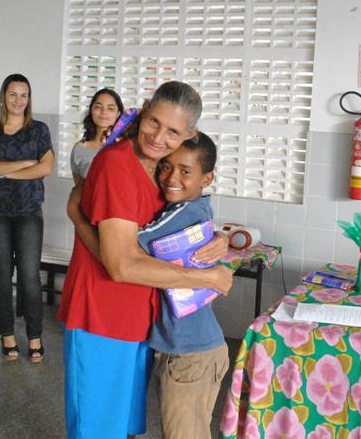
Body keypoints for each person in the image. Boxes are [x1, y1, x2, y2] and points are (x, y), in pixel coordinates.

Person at [57, 81, 233, 439]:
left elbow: (170, 230)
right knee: (97, 429)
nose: (158, 137)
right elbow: (121, 265)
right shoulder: (116, 165)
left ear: (189, 134)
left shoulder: (162, 169)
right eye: (154, 122)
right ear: (146, 107)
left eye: (173, 132)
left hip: (140, 319)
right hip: (101, 315)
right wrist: (207, 278)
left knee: (122, 428)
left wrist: (219, 238)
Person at [136, 131, 227, 439]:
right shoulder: (195, 206)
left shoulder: (185, 212)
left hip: (190, 352)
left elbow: (127, 242)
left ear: (207, 178)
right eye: (165, 166)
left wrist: (80, 213)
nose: (171, 177)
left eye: (185, 171)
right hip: (192, 349)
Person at [0, 73, 55, 363]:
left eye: (24, 95)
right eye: (13, 94)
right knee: (1, 272)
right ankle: (7, 336)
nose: (19, 100)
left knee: (30, 276)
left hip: (28, 210)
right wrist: (23, 164)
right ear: (3, 97)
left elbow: (45, 168)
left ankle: (34, 337)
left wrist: (5, 173)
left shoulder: (38, 130)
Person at [70, 88, 124, 186]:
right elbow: (79, 189)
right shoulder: (79, 148)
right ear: (91, 110)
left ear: (118, 114)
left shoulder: (126, 146)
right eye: (98, 107)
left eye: (110, 108)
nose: (104, 111)